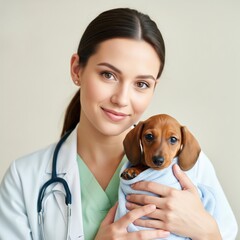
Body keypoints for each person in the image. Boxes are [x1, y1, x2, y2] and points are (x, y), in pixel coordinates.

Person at [0, 7, 238, 240]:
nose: (121, 99)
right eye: (108, 75)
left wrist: (207, 232)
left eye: (141, 84)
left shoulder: (190, 168)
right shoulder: (24, 179)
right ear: (77, 69)